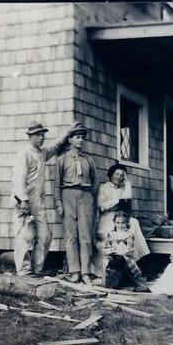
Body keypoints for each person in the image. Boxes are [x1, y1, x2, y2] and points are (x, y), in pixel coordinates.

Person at [12, 122, 69, 277]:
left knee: (45, 235)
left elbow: (56, 147)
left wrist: (68, 132)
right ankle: (24, 270)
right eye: (37, 135)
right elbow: (19, 179)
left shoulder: (41, 153)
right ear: (30, 136)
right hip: (23, 200)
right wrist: (23, 200)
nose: (41, 137)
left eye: (43, 134)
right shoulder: (24, 154)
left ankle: (37, 269)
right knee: (24, 236)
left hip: (38, 201)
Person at [54, 122, 100, 284]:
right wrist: (59, 203)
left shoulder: (89, 160)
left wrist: (90, 196)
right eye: (77, 137)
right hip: (68, 194)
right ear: (70, 140)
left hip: (85, 195)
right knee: (71, 235)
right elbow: (57, 184)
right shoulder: (62, 160)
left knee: (86, 234)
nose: (81, 141)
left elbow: (95, 181)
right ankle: (74, 271)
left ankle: (86, 272)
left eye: (82, 138)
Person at [96, 163, 150, 261]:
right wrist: (116, 201)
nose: (119, 177)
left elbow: (128, 197)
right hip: (107, 217)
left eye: (122, 175)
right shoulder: (103, 188)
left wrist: (127, 182)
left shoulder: (121, 189)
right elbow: (101, 205)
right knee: (116, 229)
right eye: (117, 174)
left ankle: (137, 258)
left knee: (134, 222)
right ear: (111, 174)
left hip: (119, 216)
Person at [101, 211, 145, 289]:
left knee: (120, 258)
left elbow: (130, 249)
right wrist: (111, 250)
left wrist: (125, 251)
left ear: (126, 223)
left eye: (122, 223)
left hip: (124, 258)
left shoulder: (129, 234)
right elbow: (106, 247)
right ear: (114, 223)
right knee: (113, 259)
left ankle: (130, 281)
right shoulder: (111, 234)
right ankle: (133, 281)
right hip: (112, 257)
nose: (120, 225)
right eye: (118, 223)